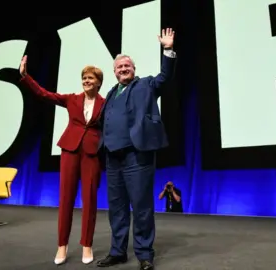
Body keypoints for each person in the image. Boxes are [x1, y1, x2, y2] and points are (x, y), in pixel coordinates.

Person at [96, 28, 176, 270]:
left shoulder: (146, 85)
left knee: (141, 206)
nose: (123, 69)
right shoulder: (110, 93)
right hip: (113, 157)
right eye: (119, 67)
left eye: (127, 66)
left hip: (137, 154)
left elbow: (166, 76)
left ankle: (144, 253)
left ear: (134, 68)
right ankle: (118, 252)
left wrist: (168, 49)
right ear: (114, 72)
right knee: (117, 208)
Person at [19, 55, 105, 266]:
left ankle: (87, 245)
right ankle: (62, 246)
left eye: (91, 78)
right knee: (66, 198)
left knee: (90, 200)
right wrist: (25, 76)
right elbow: (44, 95)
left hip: (92, 153)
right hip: (70, 149)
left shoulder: (106, 103)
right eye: (84, 77)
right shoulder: (71, 99)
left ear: (99, 82)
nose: (86, 80)